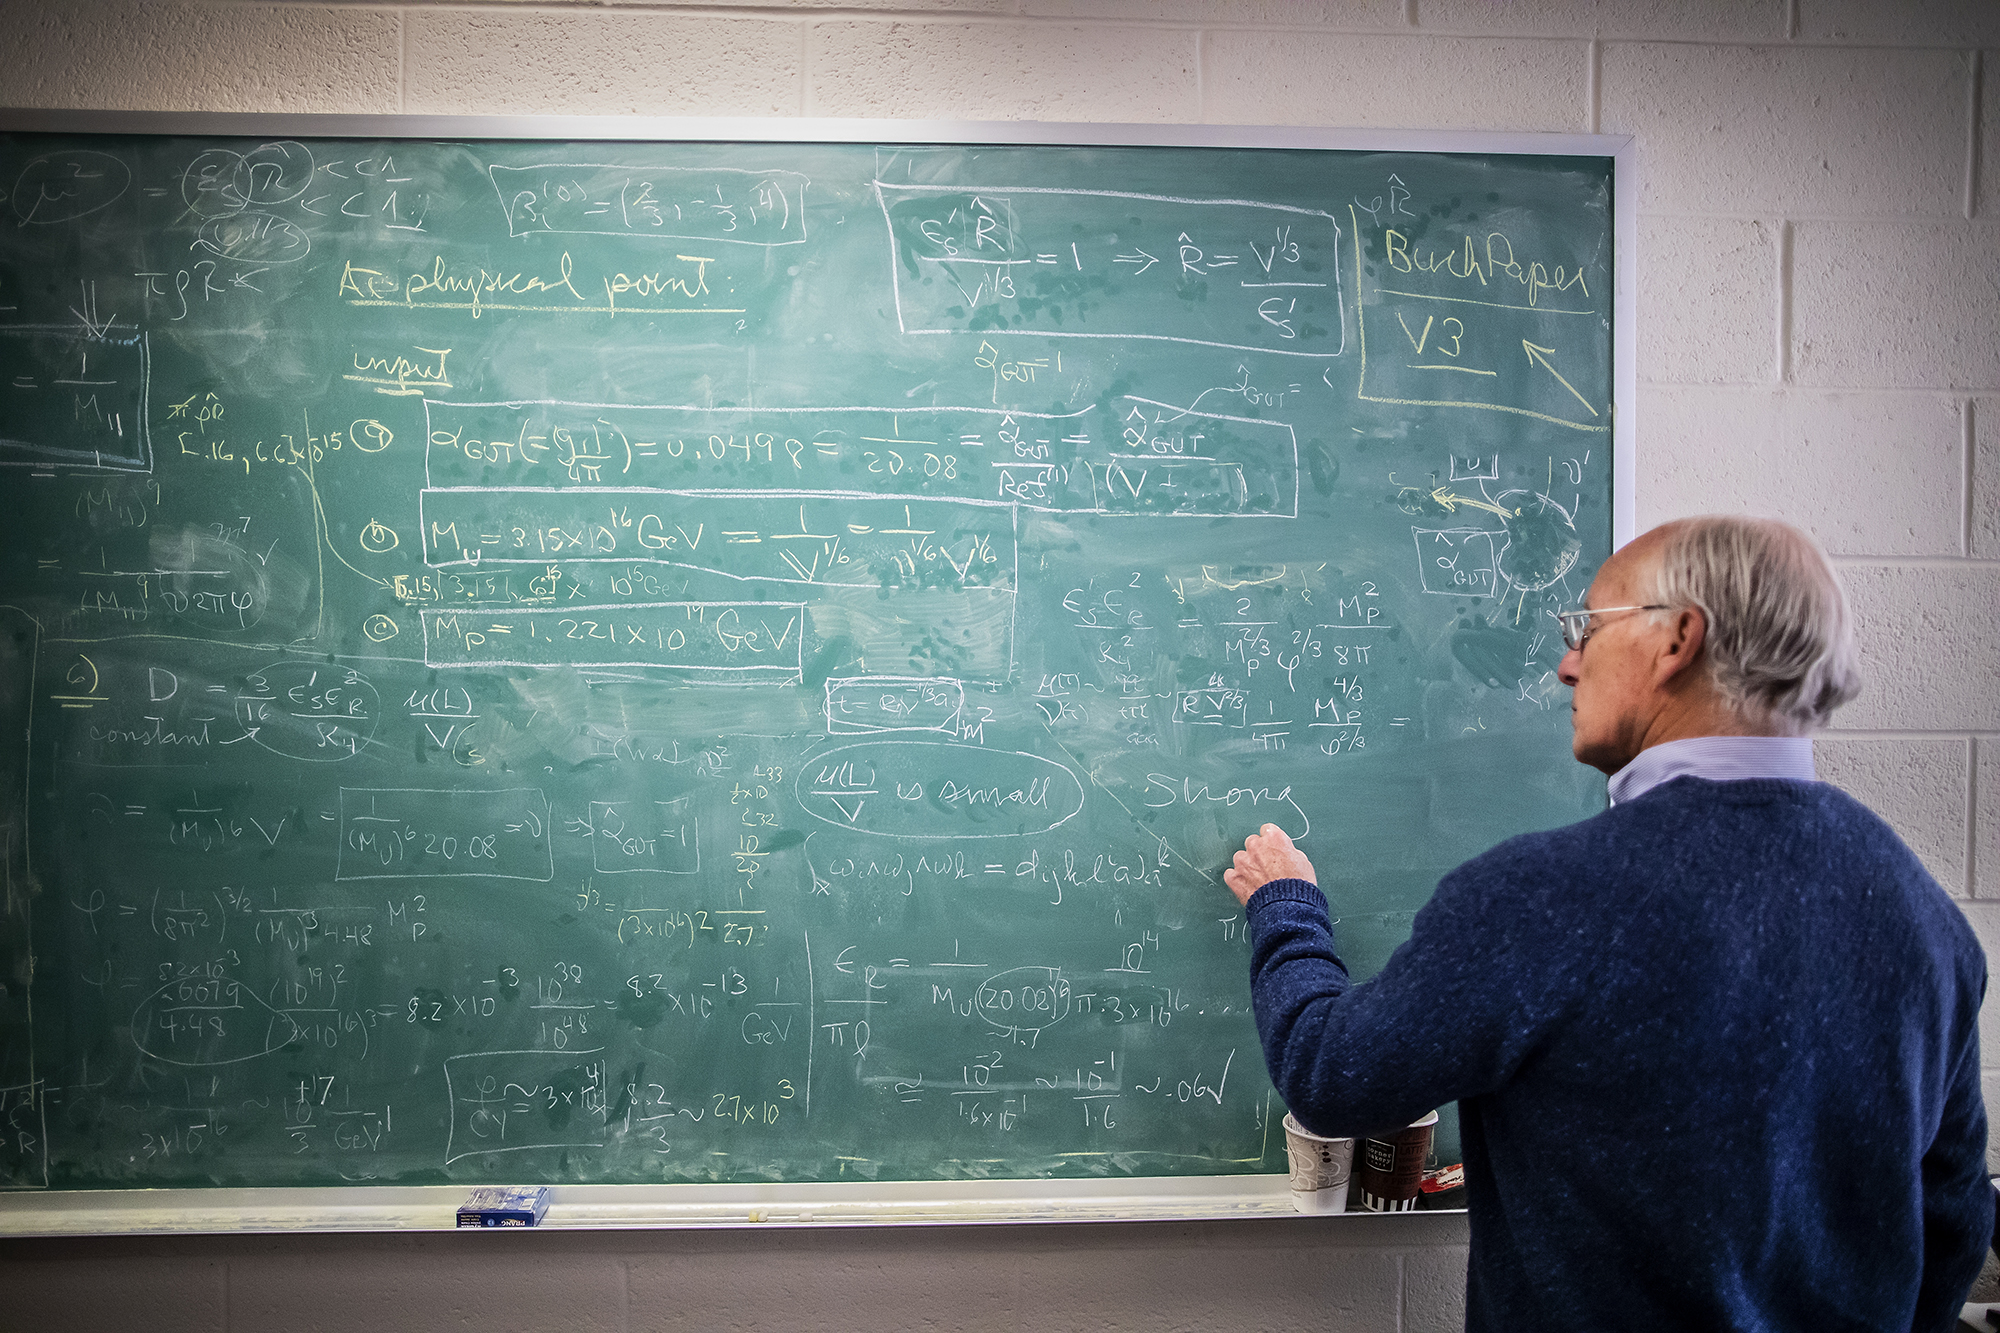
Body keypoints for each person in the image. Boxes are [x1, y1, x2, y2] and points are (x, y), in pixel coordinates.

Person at [1224, 515, 1991, 1330]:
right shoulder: (1923, 915)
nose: (1565, 665)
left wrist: (1286, 908)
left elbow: (1332, 1075)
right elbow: (1953, 1218)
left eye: (1587, 629)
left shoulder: (1543, 897)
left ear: (1677, 640)